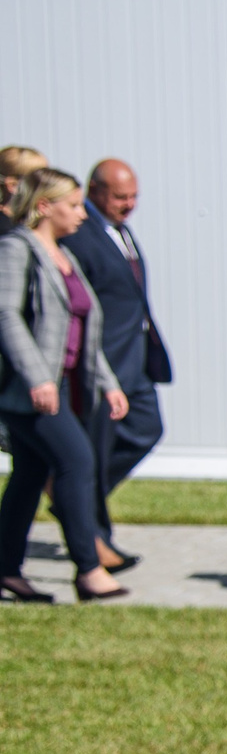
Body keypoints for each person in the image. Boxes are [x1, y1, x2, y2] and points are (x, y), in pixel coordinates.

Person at [1, 168, 130, 604]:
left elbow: (83, 329)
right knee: (76, 462)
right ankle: (89, 570)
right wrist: (37, 376)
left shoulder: (62, 254)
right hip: (31, 393)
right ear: (43, 207)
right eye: (73, 205)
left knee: (28, 477)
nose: (81, 213)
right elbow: (5, 315)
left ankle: (5, 570)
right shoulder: (17, 249)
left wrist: (107, 384)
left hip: (65, 389)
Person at [65, 158, 172, 568]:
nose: (129, 204)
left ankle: (73, 500)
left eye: (133, 197)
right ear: (95, 192)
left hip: (136, 360)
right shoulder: (81, 235)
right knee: (94, 450)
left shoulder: (119, 230)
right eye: (120, 197)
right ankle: (96, 542)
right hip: (104, 363)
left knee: (147, 429)